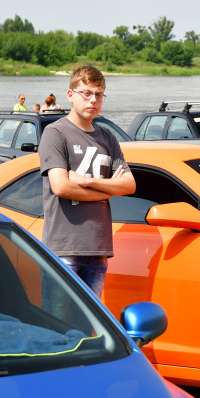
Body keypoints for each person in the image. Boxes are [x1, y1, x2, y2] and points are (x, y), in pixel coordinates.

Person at [39, 66, 135, 299]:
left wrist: (87, 181)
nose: (93, 99)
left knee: (90, 329)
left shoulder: (107, 137)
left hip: (99, 250)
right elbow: (61, 187)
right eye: (86, 93)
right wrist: (107, 190)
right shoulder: (55, 133)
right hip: (64, 249)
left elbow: (129, 185)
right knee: (61, 324)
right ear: (70, 95)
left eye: (99, 94)